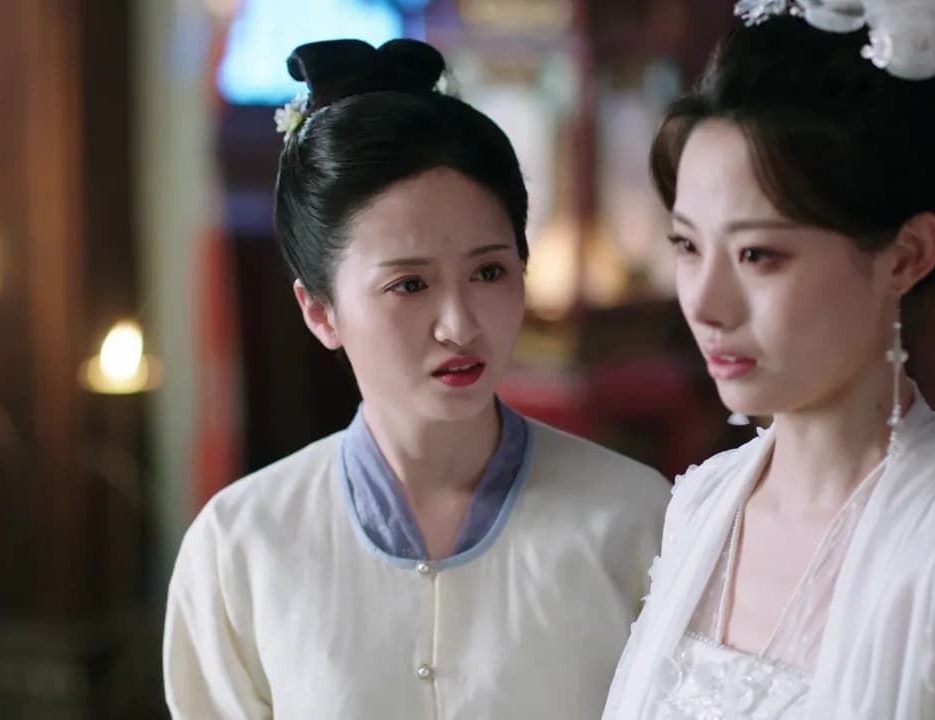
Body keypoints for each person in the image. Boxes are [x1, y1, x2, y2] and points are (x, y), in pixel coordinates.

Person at [603, 2, 935, 718]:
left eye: (757, 254)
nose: (704, 302)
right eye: (687, 246)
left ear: (905, 256)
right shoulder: (702, 504)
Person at [163, 38, 669, 719]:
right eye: (409, 284)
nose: (459, 325)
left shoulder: (636, 521)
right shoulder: (241, 546)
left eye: (489, 272)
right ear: (320, 312)